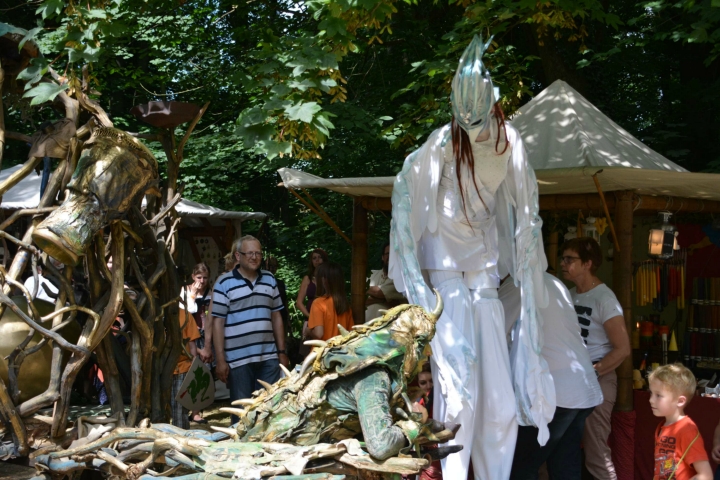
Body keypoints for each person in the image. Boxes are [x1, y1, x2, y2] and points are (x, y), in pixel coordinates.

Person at [389, 35, 552, 480]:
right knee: (457, 378)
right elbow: (405, 200)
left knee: (497, 389)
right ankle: (457, 472)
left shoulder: (509, 141)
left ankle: (494, 472)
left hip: (483, 253)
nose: (471, 124)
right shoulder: (441, 143)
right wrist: (418, 284)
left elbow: (527, 207)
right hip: (444, 252)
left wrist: (528, 265)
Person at [502, 272, 603, 480]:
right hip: (581, 388)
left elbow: (494, 333)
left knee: (522, 466)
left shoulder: (517, 283)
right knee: (564, 465)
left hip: (556, 393)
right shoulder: (552, 281)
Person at [560, 236, 631, 480]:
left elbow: (622, 349)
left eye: (570, 259)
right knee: (561, 445)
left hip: (597, 379)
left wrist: (595, 370)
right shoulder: (568, 294)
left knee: (596, 449)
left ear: (588, 263)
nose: (563, 263)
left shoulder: (605, 299)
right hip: (571, 380)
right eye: (563, 257)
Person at [211, 235, 288, 419]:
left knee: (267, 410)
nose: (254, 257)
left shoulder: (270, 280)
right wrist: (220, 359)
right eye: (250, 253)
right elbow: (217, 323)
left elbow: (277, 316)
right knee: (242, 414)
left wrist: (282, 352)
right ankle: (240, 447)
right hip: (238, 360)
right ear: (238, 256)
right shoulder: (224, 283)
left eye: (258, 253)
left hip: (268, 357)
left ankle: (265, 447)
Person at [649, 364, 712, 480]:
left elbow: (706, 476)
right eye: (651, 393)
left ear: (680, 401)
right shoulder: (662, 426)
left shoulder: (687, 430)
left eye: (658, 395)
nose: (651, 400)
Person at [180, 262, 211, 424]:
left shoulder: (210, 293)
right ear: (193, 276)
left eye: (205, 278)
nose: (202, 281)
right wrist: (192, 294)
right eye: (199, 277)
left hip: (205, 335)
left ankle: (197, 411)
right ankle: (187, 410)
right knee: (191, 374)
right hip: (189, 335)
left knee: (203, 374)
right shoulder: (184, 291)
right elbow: (187, 311)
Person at [171, 301, 201, 430]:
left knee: (179, 406)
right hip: (159, 370)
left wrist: (193, 366)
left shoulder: (185, 315)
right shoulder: (155, 315)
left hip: (183, 367)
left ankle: (181, 435)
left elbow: (192, 343)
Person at [305, 262, 354, 341]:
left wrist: (307, 331)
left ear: (324, 280)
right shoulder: (345, 305)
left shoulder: (318, 303)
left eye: (317, 278)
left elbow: (318, 334)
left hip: (323, 352)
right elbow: (350, 333)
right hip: (341, 352)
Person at [295, 248, 328, 355]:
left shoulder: (329, 278)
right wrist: (310, 317)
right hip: (309, 319)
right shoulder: (307, 278)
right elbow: (299, 303)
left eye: (320, 257)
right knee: (307, 353)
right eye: (314, 258)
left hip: (326, 319)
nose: (317, 260)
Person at [366, 242, 406, 323]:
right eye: (388, 253)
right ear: (382, 257)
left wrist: (363, 288)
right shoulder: (371, 275)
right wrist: (384, 300)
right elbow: (360, 300)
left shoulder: (400, 278)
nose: (390, 257)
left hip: (389, 330)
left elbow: (379, 292)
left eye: (393, 254)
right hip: (364, 327)